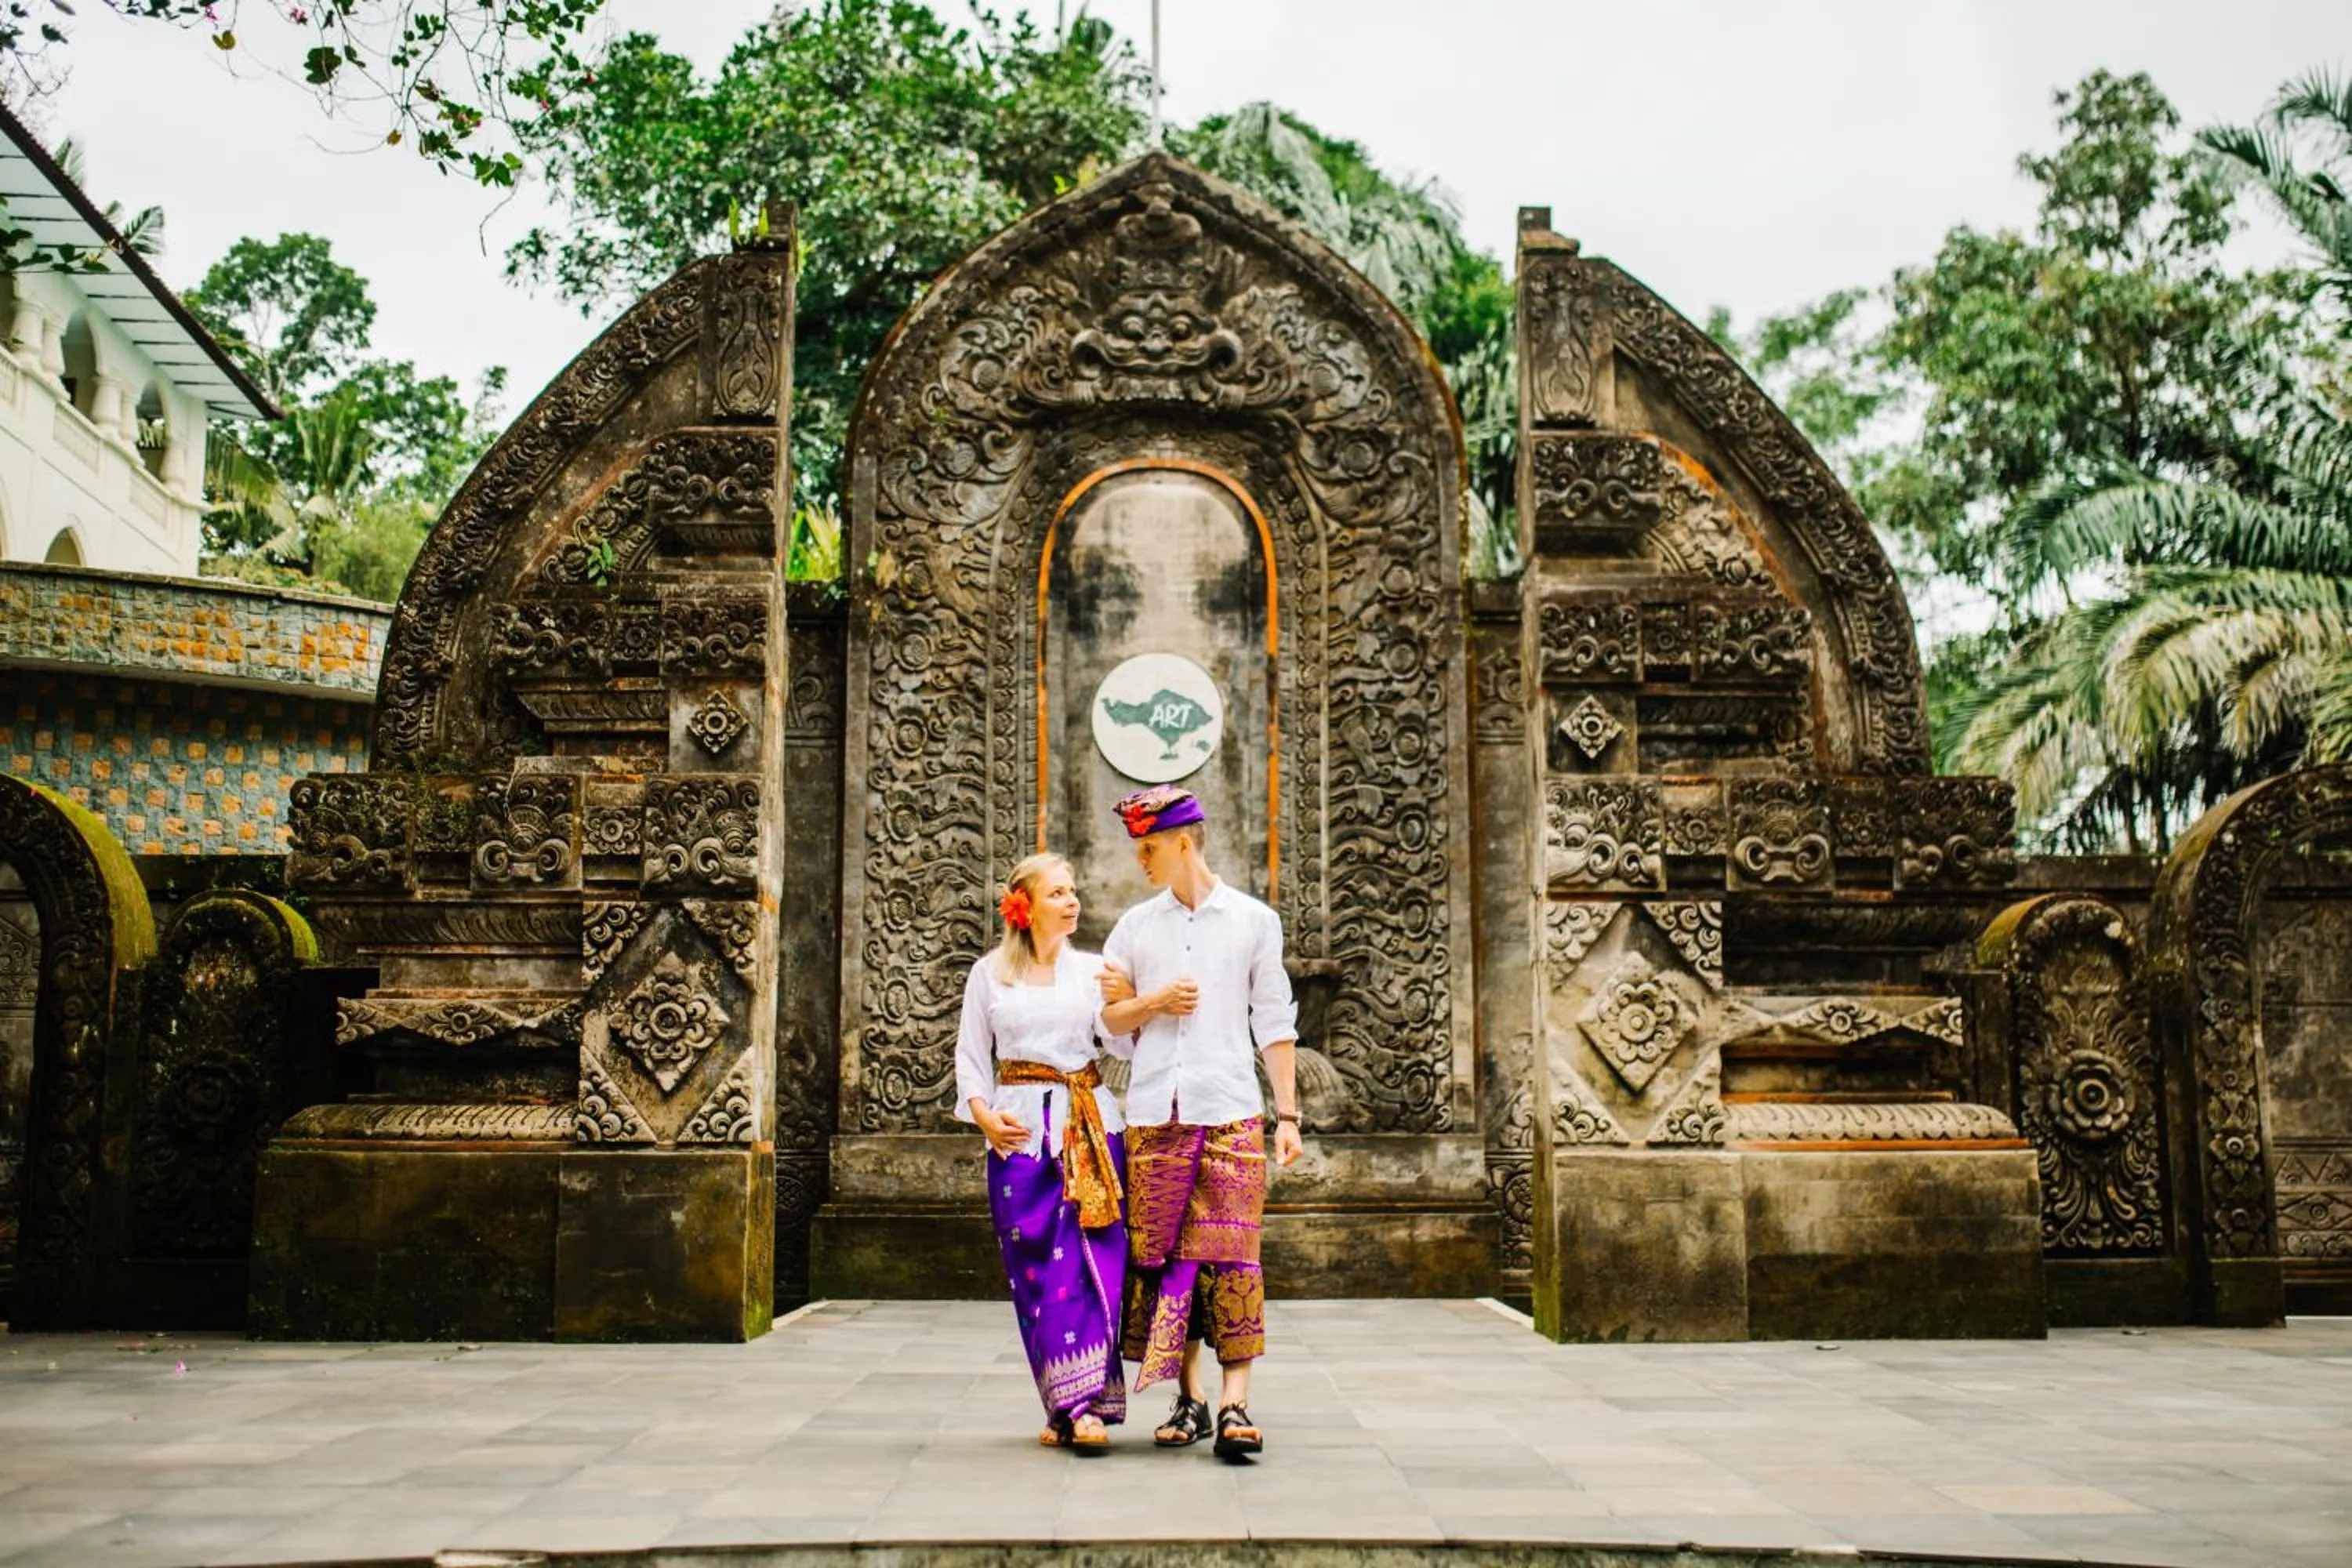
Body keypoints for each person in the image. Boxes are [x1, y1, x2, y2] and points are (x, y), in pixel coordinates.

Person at [1097, 784, 1301, 1462]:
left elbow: (1273, 1022)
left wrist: (1288, 1115)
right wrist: (1152, 1001)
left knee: (1235, 1255)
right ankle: (1190, 1400)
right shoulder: (1134, 927)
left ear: (1185, 841)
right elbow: (1111, 1029)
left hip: (1231, 1109)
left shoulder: (1252, 921)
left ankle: (1238, 1402)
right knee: (1164, 1260)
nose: (1142, 862)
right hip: (1155, 1113)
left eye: (1150, 848)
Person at [953, 851, 1132, 1452]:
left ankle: (1084, 1408)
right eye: (1058, 892)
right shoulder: (989, 975)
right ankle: (1064, 1403)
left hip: (1089, 1128)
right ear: (1024, 906)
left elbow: (1122, 1045)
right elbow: (972, 1058)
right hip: (1019, 1136)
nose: (1072, 901)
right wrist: (983, 1116)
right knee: (1034, 1275)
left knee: (1086, 1266)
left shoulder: (1093, 970)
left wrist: (1134, 1001)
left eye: (1073, 890)